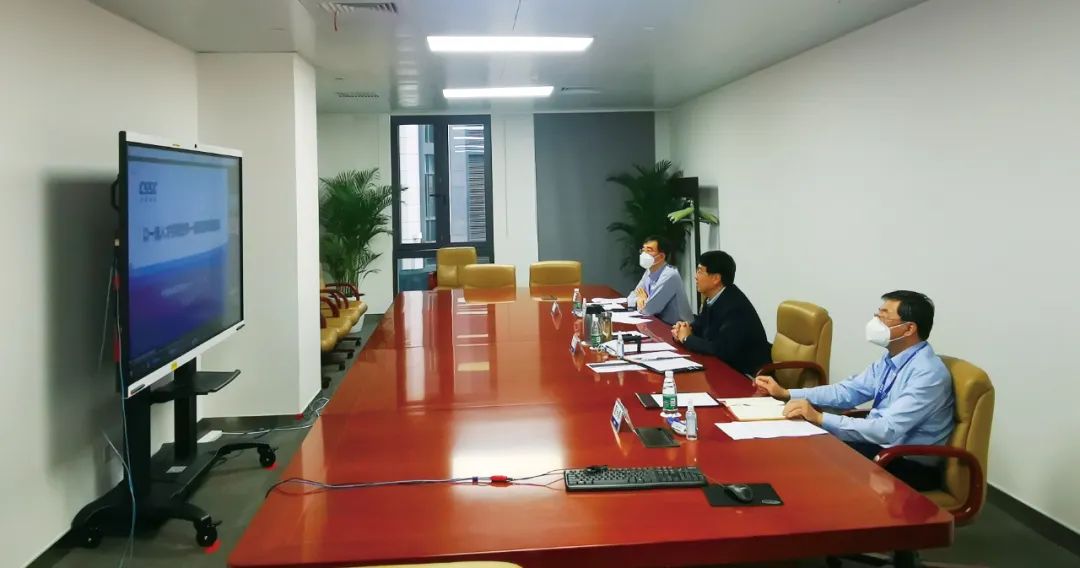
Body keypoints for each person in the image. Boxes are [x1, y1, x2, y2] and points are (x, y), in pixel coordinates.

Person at [754, 290, 954, 491]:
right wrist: (787, 393)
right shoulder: (892, 359)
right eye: (877, 314)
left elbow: (888, 430)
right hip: (879, 448)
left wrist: (820, 418)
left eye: (884, 316)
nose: (876, 322)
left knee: (814, 454)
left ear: (909, 328)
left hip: (907, 463)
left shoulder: (928, 373)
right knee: (804, 443)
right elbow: (847, 392)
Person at [670, 250, 771, 375]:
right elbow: (701, 327)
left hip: (748, 375)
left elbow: (720, 349)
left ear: (716, 279)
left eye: (700, 271)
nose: (696, 276)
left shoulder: (735, 307)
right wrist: (683, 328)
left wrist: (686, 338)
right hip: (725, 367)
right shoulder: (713, 298)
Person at [625, 236, 692, 325]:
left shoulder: (670, 275)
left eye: (649, 251)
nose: (644, 254)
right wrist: (640, 299)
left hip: (677, 328)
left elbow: (649, 310)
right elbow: (631, 297)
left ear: (661, 256)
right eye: (643, 250)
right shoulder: (649, 271)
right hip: (658, 323)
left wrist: (644, 301)